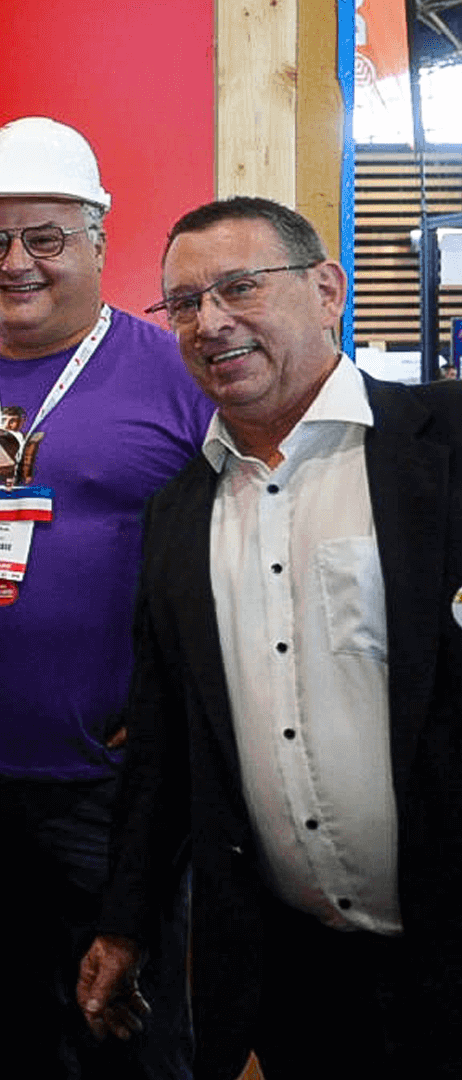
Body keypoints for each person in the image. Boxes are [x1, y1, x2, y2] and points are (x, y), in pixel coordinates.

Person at [79, 196, 462, 1077]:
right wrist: (126, 922)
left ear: (327, 291)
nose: (210, 322)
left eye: (241, 287)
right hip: (295, 975)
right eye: (184, 303)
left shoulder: (446, 447)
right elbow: (165, 742)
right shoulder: (181, 514)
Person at [0, 116, 205, 1080]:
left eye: (45, 238)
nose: (17, 264)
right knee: (16, 1025)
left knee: (130, 1034)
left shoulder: (178, 375)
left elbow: (240, 554)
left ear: (99, 242)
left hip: (110, 784)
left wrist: (187, 707)